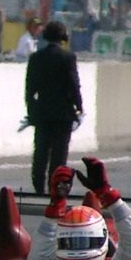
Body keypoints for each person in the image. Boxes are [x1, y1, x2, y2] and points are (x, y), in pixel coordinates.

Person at [25, 157, 131, 260]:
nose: (77, 250)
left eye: (85, 242)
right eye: (69, 243)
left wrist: (109, 195)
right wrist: (54, 209)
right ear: (55, 242)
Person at [24, 19, 83, 195]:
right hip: (63, 114)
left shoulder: (36, 58)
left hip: (42, 113)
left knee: (41, 152)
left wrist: (32, 111)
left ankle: (38, 187)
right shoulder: (68, 57)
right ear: (63, 37)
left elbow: (29, 89)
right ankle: (55, 188)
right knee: (59, 155)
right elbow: (74, 86)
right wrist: (78, 107)